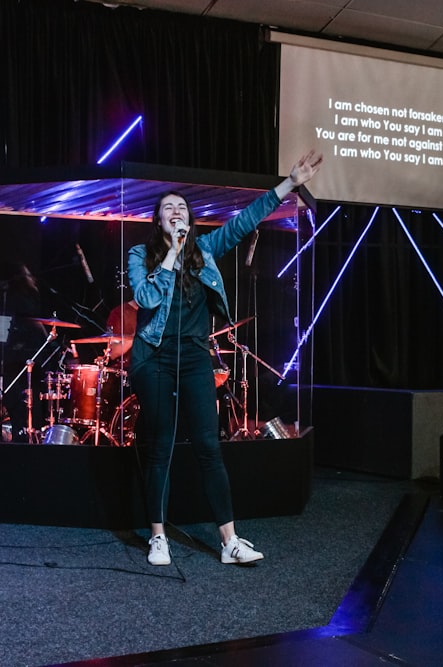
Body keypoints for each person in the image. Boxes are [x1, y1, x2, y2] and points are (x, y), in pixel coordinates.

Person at [127, 150, 322, 565]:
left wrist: (288, 184)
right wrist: (171, 256)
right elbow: (144, 297)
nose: (176, 212)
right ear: (158, 221)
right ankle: (158, 537)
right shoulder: (140, 256)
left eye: (181, 208)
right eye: (168, 209)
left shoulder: (206, 250)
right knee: (160, 447)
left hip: (195, 357)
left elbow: (244, 222)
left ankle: (229, 541)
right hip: (155, 359)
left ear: (190, 219)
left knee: (208, 448)